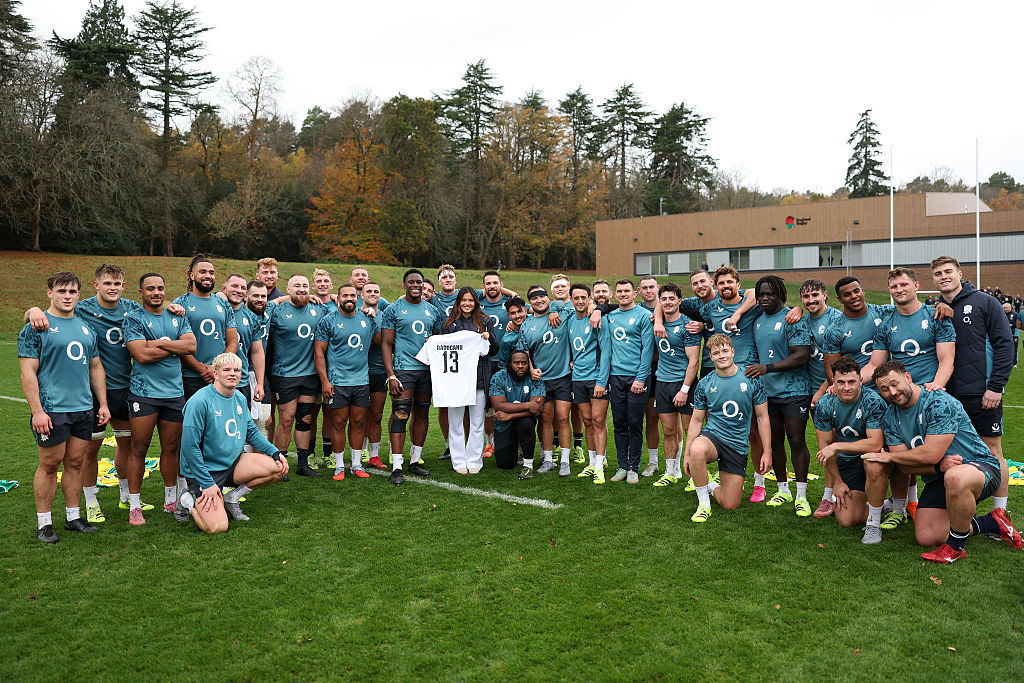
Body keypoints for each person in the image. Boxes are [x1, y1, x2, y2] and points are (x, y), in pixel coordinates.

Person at [24, 264, 183, 520]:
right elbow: (49, 314)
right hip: (91, 393)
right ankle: (91, 500)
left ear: (124, 286)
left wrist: (174, 307)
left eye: (117, 284)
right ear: (97, 285)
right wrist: (32, 311)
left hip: (125, 388)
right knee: (89, 450)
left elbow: (156, 308)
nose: (113, 288)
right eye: (107, 284)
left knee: (127, 444)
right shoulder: (83, 307)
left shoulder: (131, 308)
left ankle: (125, 497)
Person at [863, 361, 1020, 561]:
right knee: (927, 535)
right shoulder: (890, 417)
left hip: (979, 467)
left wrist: (890, 456)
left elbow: (929, 454)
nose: (892, 392)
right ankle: (992, 523)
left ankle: (955, 548)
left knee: (955, 476)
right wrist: (937, 466)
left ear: (908, 378)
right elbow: (904, 466)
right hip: (938, 474)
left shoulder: (938, 402)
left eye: (895, 384)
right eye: (884, 389)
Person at [19, 271, 109, 543]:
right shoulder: (37, 327)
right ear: (50, 293)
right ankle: (44, 523)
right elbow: (27, 372)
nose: (67, 296)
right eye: (61, 291)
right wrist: (37, 411)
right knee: (49, 465)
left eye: (72, 292)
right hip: (52, 409)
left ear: (79, 295)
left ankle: (73, 517)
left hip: (83, 408)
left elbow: (95, 367)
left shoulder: (85, 328)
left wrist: (102, 403)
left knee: (75, 462)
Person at [866, 267, 956, 526]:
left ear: (917, 286)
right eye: (894, 287)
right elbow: (875, 366)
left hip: (928, 397)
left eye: (904, 285)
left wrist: (934, 388)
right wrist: (839, 384)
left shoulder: (937, 315)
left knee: (937, 453)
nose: (899, 290)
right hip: (899, 398)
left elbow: (946, 359)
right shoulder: (886, 323)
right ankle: (900, 507)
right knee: (902, 451)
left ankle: (939, 505)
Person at [931, 256, 1015, 524]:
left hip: (981, 393)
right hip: (947, 395)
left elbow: (1005, 345)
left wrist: (996, 386)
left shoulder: (984, 302)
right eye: (938, 273)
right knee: (951, 453)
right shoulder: (934, 308)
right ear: (933, 280)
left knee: (992, 449)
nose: (943, 276)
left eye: (948, 271)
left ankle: (1001, 513)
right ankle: (954, 505)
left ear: (959, 273)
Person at [178, 353, 288, 531]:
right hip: (205, 470)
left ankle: (231, 498)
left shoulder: (239, 397)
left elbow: (251, 432)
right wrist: (207, 483)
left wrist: (275, 452)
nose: (232, 374)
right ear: (215, 373)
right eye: (226, 370)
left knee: (278, 468)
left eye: (236, 370)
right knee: (217, 527)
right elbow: (189, 448)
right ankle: (187, 500)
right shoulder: (199, 401)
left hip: (232, 464)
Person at [123, 273, 197, 524]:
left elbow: (190, 347)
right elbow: (140, 356)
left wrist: (157, 344)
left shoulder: (176, 316)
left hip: (174, 394)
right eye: (150, 289)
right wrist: (172, 344)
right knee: (139, 448)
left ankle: (170, 501)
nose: (156, 292)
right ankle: (135, 505)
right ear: (141, 292)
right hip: (144, 394)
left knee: (172, 448)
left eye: (160, 288)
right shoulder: (134, 318)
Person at [683, 334, 772, 523]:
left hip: (737, 445)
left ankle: (710, 485)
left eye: (725, 351)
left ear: (732, 352)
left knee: (729, 504)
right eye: (716, 353)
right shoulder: (705, 384)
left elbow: (763, 418)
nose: (721, 355)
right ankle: (704, 505)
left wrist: (767, 451)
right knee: (697, 449)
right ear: (711, 357)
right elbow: (697, 420)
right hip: (713, 437)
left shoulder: (751, 379)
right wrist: (687, 453)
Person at [746, 275, 814, 516]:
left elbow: (801, 355)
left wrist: (768, 368)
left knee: (796, 441)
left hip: (794, 391)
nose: (765, 298)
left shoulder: (792, 319)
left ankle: (802, 496)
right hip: (767, 392)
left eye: (770, 294)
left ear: (781, 295)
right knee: (773, 442)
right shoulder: (757, 318)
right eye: (761, 294)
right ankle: (783, 490)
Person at [423, 287, 497, 474]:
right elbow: (441, 349)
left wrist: (490, 339)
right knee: (455, 422)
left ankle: (474, 461)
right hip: (455, 382)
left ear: (476, 302)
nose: (467, 303)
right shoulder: (449, 324)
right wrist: (432, 344)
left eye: (471, 300)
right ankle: (458, 461)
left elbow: (495, 350)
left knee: (477, 422)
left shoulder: (485, 322)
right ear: (458, 302)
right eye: (463, 300)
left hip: (478, 380)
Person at [812, 356, 886, 533]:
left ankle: (880, 515)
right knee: (846, 520)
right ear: (833, 382)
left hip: (876, 458)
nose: (847, 387)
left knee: (873, 463)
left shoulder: (873, 402)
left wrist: (838, 446)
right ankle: (877, 503)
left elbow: (875, 444)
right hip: (848, 463)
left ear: (861, 380)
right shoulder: (825, 404)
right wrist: (837, 482)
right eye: (841, 382)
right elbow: (825, 449)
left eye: (852, 382)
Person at [379, 269, 439, 484]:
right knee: (401, 413)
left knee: (422, 413)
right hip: (404, 370)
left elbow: (438, 341)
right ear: (404, 285)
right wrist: (391, 375)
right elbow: (386, 344)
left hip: (427, 371)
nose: (416, 285)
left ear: (423, 286)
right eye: (411, 282)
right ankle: (397, 466)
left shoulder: (432, 311)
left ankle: (415, 460)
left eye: (419, 282)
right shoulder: (393, 309)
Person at [266, 274, 328, 478]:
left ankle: (302, 464)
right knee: (286, 418)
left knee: (305, 419)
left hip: (310, 374)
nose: (301, 289)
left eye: (305, 286)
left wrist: (335, 296)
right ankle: (280, 464)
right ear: (288, 289)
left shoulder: (319, 310)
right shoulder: (277, 311)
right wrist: (280, 299)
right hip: (285, 375)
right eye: (296, 286)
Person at [313, 283, 376, 480]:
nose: (349, 298)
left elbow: (384, 341)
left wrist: (375, 312)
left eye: (352, 295)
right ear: (338, 298)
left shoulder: (367, 318)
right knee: (338, 422)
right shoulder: (328, 320)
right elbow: (319, 353)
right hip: (338, 382)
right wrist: (324, 380)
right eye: (345, 295)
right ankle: (339, 465)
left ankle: (356, 465)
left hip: (361, 381)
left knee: (358, 423)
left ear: (358, 298)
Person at [799, 278, 846, 517]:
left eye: (815, 295)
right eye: (806, 297)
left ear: (825, 295)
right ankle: (833, 494)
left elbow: (838, 362)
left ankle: (834, 494)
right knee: (825, 445)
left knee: (834, 445)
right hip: (807, 390)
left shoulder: (837, 319)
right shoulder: (801, 320)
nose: (811, 301)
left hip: (832, 390)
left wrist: (822, 390)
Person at [518, 285, 574, 475]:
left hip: (563, 376)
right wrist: (531, 370)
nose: (539, 300)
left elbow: (568, 302)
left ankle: (565, 460)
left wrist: (555, 309)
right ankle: (548, 459)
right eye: (534, 298)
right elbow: (524, 351)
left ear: (547, 298)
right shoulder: (527, 324)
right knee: (545, 419)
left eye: (542, 296)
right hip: (541, 380)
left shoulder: (562, 314)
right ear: (530, 302)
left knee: (563, 417)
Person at [650, 283, 701, 487]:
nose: (668, 302)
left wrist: (684, 390)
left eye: (672, 299)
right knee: (669, 431)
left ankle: (696, 475)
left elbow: (693, 362)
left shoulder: (688, 325)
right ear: (660, 302)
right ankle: (672, 471)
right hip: (662, 382)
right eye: (664, 299)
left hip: (684, 384)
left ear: (680, 301)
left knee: (692, 432)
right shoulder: (656, 322)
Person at [604, 279, 654, 484]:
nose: (623, 294)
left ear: (635, 294)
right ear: (615, 295)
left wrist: (640, 378)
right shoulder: (611, 317)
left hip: (637, 378)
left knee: (634, 423)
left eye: (627, 291)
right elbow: (607, 349)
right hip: (616, 378)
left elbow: (648, 349)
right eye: (619, 291)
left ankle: (633, 467)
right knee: (619, 423)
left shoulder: (644, 316)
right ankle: (622, 466)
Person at [174, 255, 238, 401]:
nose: (208, 276)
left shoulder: (223, 304)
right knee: (194, 421)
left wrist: (217, 369)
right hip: (190, 377)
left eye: (211, 272)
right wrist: (202, 369)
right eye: (202, 272)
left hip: (220, 377)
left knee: (219, 422)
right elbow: (178, 345)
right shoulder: (180, 303)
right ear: (192, 275)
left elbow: (233, 341)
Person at [566, 284, 612, 484]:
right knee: (587, 421)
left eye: (583, 297)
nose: (580, 301)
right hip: (578, 379)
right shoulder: (569, 320)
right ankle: (592, 463)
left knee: (598, 421)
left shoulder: (598, 319)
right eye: (576, 298)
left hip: (596, 378)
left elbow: (606, 350)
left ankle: (600, 465)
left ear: (589, 298)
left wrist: (602, 381)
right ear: (571, 299)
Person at [489, 350, 546, 471]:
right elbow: (499, 406)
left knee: (526, 423)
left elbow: (537, 409)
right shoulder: (499, 377)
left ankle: (528, 463)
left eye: (524, 363)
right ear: (510, 364)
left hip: (518, 419)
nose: (520, 366)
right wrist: (528, 405)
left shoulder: (535, 378)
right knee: (505, 464)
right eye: (516, 363)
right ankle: (515, 445)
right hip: (503, 423)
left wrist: (510, 416)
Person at [218, 274, 265, 408]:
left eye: (243, 288)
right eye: (234, 286)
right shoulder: (214, 310)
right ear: (224, 288)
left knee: (240, 425)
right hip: (214, 379)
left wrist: (259, 384)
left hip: (241, 381)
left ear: (246, 293)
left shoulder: (252, 318)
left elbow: (257, 352)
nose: (238, 290)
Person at [360, 281, 390, 470]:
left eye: (376, 291)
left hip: (379, 371)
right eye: (368, 291)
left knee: (376, 415)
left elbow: (386, 342)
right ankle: (358, 454)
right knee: (358, 416)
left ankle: (374, 455)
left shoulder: (386, 317)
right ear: (361, 295)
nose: (372, 293)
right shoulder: (355, 314)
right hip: (358, 373)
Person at [637, 275, 662, 477]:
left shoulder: (670, 305)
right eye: (644, 287)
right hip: (643, 369)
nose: (648, 290)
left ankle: (675, 463)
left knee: (669, 418)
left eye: (651, 286)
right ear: (639, 290)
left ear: (657, 288)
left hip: (668, 369)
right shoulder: (636, 310)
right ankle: (652, 462)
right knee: (650, 417)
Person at [1005, 302, 1020, 368]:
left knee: (1014, 348)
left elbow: (1017, 324)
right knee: (1005, 348)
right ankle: (1007, 362)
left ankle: (1014, 363)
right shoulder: (1002, 314)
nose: (1005, 309)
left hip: (1014, 334)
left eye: (1006, 308)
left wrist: (1010, 325)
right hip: (1005, 334)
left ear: (1010, 307)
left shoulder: (1015, 314)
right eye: (1004, 308)